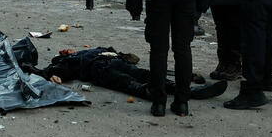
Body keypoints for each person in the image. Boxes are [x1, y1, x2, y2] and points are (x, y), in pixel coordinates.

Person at [21, 47, 227, 101]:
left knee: (145, 74)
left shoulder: (91, 50)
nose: (67, 51)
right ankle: (155, 93)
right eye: (64, 52)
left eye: (67, 50)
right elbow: (49, 73)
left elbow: (131, 58)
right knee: (127, 82)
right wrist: (52, 76)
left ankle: (184, 90)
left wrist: (121, 55)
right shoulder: (65, 63)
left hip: (113, 61)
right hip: (101, 70)